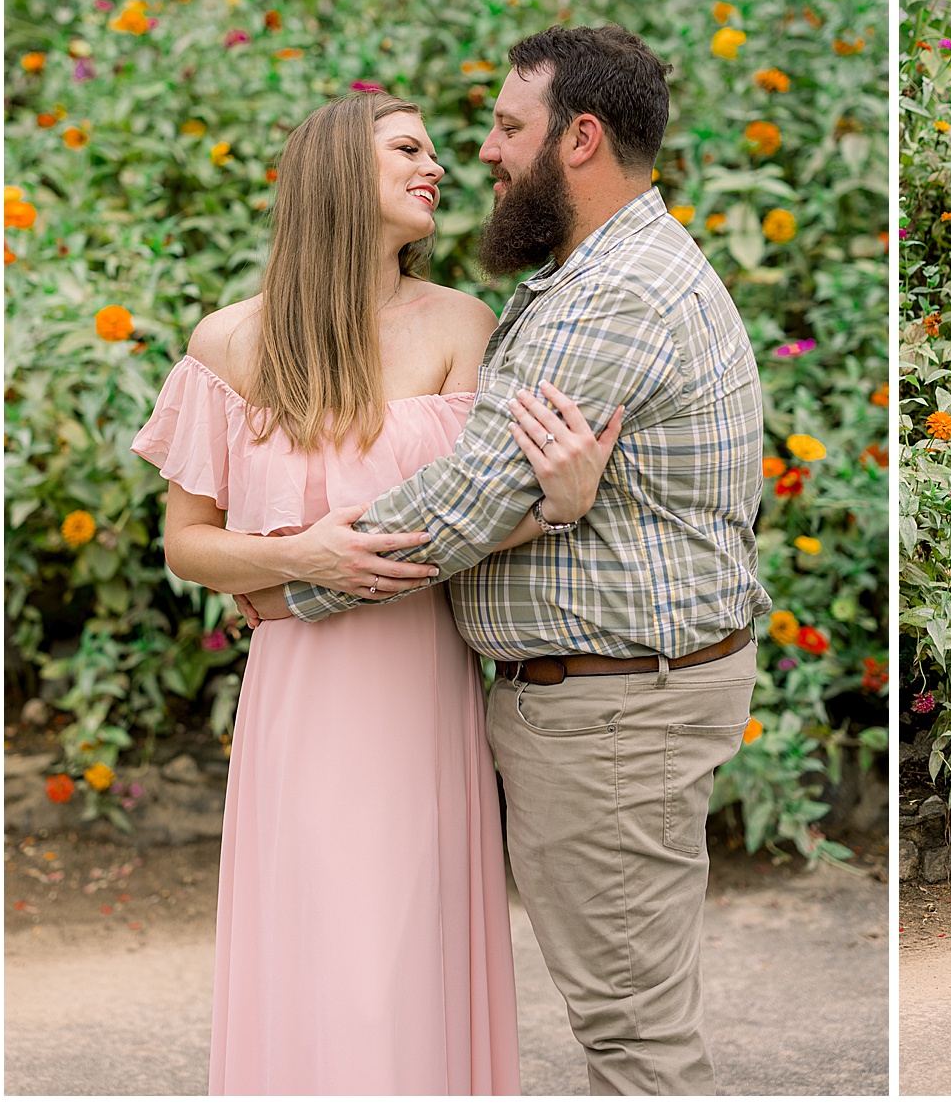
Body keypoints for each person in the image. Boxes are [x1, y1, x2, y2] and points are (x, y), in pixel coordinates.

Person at [246, 24, 775, 1092]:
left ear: (578, 139)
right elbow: (507, 488)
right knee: (631, 1018)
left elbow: (471, 494)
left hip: (618, 711)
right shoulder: (590, 274)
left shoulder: (614, 292)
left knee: (636, 1039)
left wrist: (285, 583)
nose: (479, 152)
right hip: (613, 696)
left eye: (504, 126)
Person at [131, 90, 622, 1093]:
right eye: (408, 147)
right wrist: (299, 559)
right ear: (337, 175)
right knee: (322, 959)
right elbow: (187, 545)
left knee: (404, 959)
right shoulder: (228, 342)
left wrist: (565, 502)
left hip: (423, 688)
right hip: (302, 696)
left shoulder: (462, 323)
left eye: (437, 150)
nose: (436, 164)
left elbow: (480, 516)